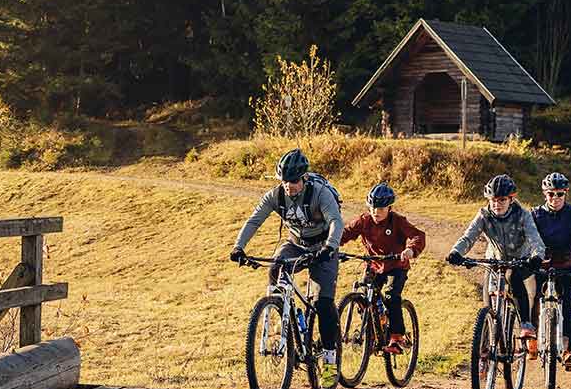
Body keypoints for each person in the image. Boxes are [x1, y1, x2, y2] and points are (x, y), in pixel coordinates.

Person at [230, 148, 344, 365]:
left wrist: (329, 247)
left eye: (293, 182)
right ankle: (283, 315)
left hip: (323, 247)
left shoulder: (320, 193)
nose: (289, 187)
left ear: (304, 178)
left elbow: (336, 222)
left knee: (323, 303)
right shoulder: (276, 195)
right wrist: (238, 247)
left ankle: (330, 359)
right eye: (284, 182)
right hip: (296, 244)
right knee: (275, 268)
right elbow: (254, 221)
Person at [446, 174, 546, 343]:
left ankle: (526, 324)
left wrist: (537, 256)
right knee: (487, 310)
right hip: (495, 261)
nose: (496, 204)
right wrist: (456, 252)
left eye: (501, 200)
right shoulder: (484, 215)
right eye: (493, 200)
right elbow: (468, 237)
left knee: (514, 278)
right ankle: (485, 353)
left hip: (520, 260)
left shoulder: (523, 215)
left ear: (511, 199)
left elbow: (535, 239)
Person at [339, 183, 426, 354]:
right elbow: (346, 232)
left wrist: (410, 249)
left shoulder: (397, 221)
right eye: (372, 208)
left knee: (391, 296)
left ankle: (397, 336)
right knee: (363, 297)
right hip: (373, 265)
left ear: (389, 207)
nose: (376, 212)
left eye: (380, 208)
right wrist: (332, 245)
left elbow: (418, 235)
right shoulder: (364, 221)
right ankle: (373, 331)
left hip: (396, 265)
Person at [532, 172, 571, 371]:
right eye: (551, 194)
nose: (555, 198)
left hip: (566, 267)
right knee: (534, 299)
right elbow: (529, 239)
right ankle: (532, 340)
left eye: (560, 194)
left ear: (566, 193)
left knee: (567, 305)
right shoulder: (534, 214)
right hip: (540, 265)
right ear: (545, 194)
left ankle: (568, 351)